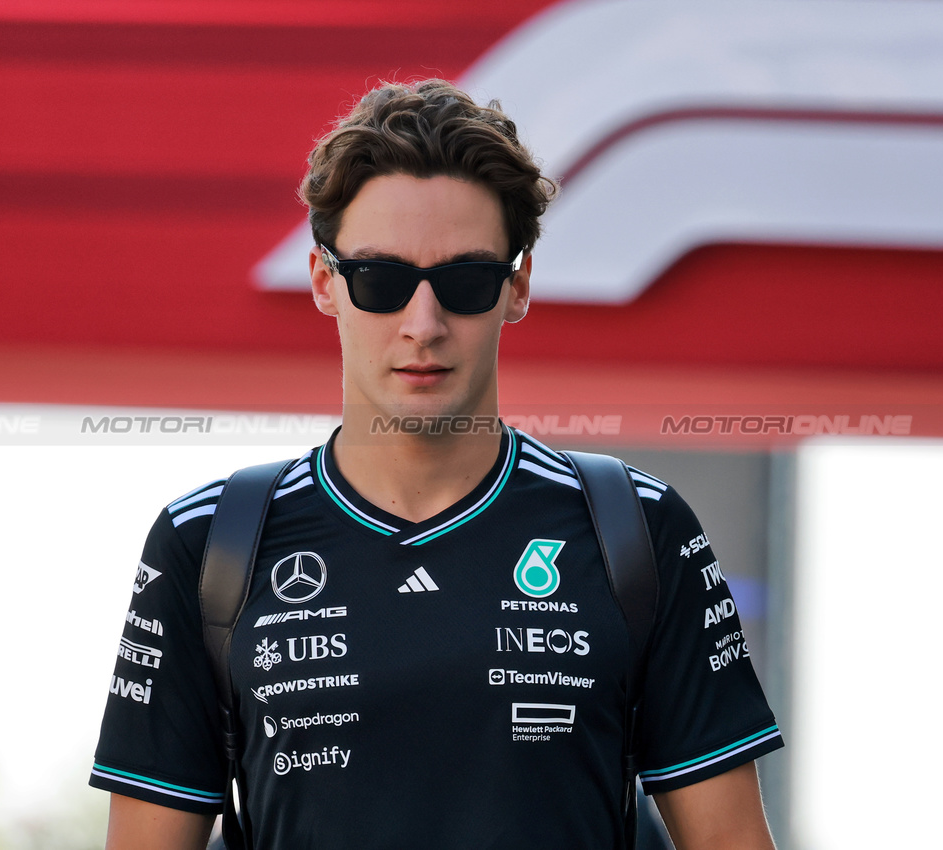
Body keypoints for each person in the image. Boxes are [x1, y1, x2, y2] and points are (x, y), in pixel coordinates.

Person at [90, 79, 783, 849]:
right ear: (326, 282)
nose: (422, 324)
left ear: (515, 286)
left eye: (463, 281)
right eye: (382, 282)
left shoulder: (637, 528)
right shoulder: (209, 542)